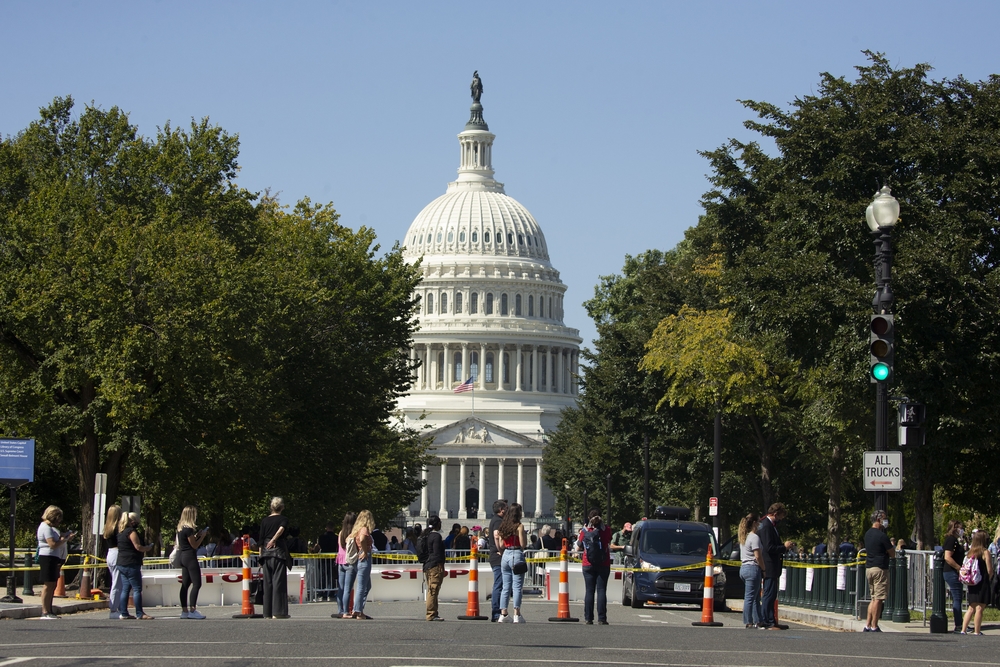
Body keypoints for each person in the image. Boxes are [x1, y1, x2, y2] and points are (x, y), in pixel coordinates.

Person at [37, 505, 75, 620]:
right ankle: (44, 611)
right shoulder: (45, 527)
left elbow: (58, 537)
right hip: (47, 557)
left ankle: (49, 610)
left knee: (52, 584)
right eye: (58, 519)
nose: (59, 522)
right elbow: (52, 544)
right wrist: (64, 540)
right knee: (48, 585)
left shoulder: (51, 528)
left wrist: (66, 536)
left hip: (54, 557)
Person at [117, 511, 154, 619]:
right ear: (132, 522)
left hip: (121, 562)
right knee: (137, 588)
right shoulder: (131, 532)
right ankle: (139, 613)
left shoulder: (120, 532)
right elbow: (137, 546)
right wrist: (147, 548)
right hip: (131, 562)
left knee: (125, 588)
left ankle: (123, 612)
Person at [863, 510, 895, 632]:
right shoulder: (882, 536)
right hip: (880, 568)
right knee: (879, 598)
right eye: (884, 519)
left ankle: (867, 624)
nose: (885, 521)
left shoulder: (867, 534)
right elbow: (892, 553)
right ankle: (875, 625)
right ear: (878, 519)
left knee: (873, 597)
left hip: (869, 568)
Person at [757, 502, 788, 630]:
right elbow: (769, 547)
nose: (781, 519)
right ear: (775, 514)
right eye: (780, 516)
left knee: (772, 593)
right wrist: (784, 547)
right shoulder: (766, 526)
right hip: (769, 564)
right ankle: (767, 621)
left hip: (773, 565)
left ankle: (772, 619)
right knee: (769, 594)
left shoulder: (770, 525)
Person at [176, 505, 210, 619]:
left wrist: (196, 536)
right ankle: (192, 609)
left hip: (183, 556)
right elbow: (194, 545)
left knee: (185, 584)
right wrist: (202, 537)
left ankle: (184, 610)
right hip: (190, 557)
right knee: (197, 583)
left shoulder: (181, 529)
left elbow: (187, 542)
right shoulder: (188, 529)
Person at [578, 509, 612, 625]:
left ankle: (588, 618)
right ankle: (602, 618)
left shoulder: (585, 530)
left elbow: (578, 546)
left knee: (589, 591)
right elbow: (608, 542)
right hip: (604, 563)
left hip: (588, 564)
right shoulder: (606, 530)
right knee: (602, 590)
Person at [496, 502, 528, 623]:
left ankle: (503, 614)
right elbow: (523, 544)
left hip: (505, 555)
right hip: (516, 553)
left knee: (506, 586)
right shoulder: (519, 526)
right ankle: (517, 614)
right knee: (517, 586)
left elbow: (501, 545)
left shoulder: (503, 526)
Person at [259, 496, 290, 619]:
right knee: (279, 582)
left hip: (266, 553)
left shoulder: (264, 521)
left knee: (268, 583)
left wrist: (260, 556)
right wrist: (274, 539)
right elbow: (281, 529)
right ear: (281, 507)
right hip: (278, 552)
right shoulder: (283, 519)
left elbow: (261, 540)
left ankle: (267, 612)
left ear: (271, 507)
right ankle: (279, 612)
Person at [961, 531, 993, 635]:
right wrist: (990, 578)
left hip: (972, 582)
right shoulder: (985, 552)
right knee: (980, 608)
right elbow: (989, 570)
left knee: (971, 607)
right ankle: (977, 631)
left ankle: (963, 630)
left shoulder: (971, 552)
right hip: (982, 582)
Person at [739, 512, 764, 629]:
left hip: (744, 568)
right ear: (754, 523)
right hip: (752, 568)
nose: (760, 524)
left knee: (754, 596)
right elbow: (758, 556)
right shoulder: (754, 537)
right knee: (750, 597)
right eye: (758, 521)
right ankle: (748, 621)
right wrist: (764, 569)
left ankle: (758, 620)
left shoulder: (744, 537)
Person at [350, 509, 375, 619]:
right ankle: (358, 610)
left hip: (358, 558)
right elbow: (363, 539)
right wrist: (364, 551)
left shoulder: (356, 529)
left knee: (366, 585)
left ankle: (358, 608)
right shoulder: (364, 529)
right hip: (364, 557)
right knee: (362, 586)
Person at [942, 519, 966, 632]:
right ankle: (959, 624)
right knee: (957, 597)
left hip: (953, 572)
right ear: (954, 528)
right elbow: (947, 557)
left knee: (958, 597)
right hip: (951, 572)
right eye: (960, 528)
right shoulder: (951, 540)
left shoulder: (956, 541)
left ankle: (960, 623)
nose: (962, 530)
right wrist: (958, 568)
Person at [334, 512, 357, 618]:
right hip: (350, 562)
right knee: (348, 588)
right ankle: (345, 611)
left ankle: (340, 610)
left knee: (341, 588)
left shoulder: (341, 533)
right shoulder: (354, 533)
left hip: (340, 562)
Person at [487, 499, 507, 622]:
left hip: (495, 556)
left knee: (500, 584)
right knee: (499, 585)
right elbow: (496, 535)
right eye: (506, 508)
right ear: (501, 510)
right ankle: (496, 613)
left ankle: (498, 612)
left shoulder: (495, 520)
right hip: (497, 556)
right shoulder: (498, 521)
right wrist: (501, 549)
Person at [102, 505, 123, 620]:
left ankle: (118, 607)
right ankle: (114, 609)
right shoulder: (117, 529)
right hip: (117, 554)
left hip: (111, 553)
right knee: (117, 582)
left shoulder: (108, 527)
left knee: (117, 581)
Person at [423, 515, 446, 621]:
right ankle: (431, 613)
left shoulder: (426, 535)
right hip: (434, 566)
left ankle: (434, 612)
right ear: (437, 524)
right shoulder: (436, 536)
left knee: (432, 589)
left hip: (427, 565)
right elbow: (437, 552)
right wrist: (441, 564)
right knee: (433, 590)